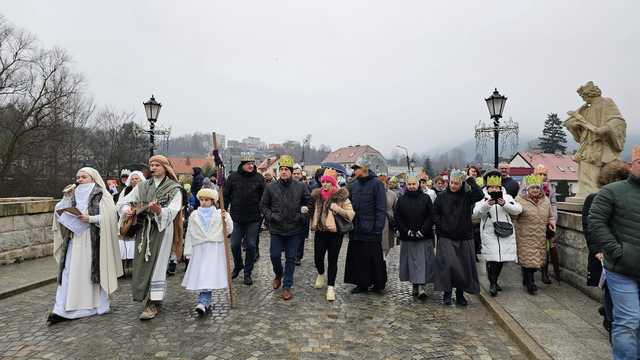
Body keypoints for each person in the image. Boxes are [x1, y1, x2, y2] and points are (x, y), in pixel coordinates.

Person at [47, 168, 122, 325]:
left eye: (83, 177)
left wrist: (91, 218)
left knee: (90, 272)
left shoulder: (101, 194)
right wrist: (66, 198)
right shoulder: (72, 194)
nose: (80, 179)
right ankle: (61, 309)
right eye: (78, 177)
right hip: (74, 239)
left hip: (92, 241)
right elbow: (58, 211)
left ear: (92, 178)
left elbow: (111, 217)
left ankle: (94, 306)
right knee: (68, 272)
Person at [589, 146, 640, 359]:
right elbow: (595, 221)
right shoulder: (613, 191)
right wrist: (616, 251)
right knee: (629, 321)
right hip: (622, 269)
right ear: (632, 165)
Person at [119, 155, 183, 320]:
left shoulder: (173, 188)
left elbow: (173, 209)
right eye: (151, 165)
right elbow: (125, 201)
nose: (153, 168)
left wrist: (159, 211)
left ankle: (153, 301)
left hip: (162, 231)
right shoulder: (142, 186)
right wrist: (127, 209)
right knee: (141, 263)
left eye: (157, 165)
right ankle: (144, 294)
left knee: (158, 265)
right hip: (143, 229)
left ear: (165, 167)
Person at [583, 160, 629, 340]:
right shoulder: (594, 198)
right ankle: (610, 321)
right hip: (605, 253)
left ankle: (610, 315)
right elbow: (590, 227)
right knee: (609, 287)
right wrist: (597, 250)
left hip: (625, 254)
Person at [260, 155, 311, 301]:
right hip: (276, 229)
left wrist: (302, 215)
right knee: (274, 255)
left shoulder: (300, 187)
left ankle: (287, 286)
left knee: (290, 258)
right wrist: (271, 216)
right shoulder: (271, 187)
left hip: (294, 229)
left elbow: (309, 203)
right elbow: (263, 206)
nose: (283, 172)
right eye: (281, 169)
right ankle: (278, 274)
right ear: (278, 172)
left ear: (291, 171)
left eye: (286, 170)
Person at [433, 169, 484, 306]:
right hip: (446, 237)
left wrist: (470, 180)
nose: (454, 186)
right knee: (448, 266)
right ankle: (447, 294)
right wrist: (442, 226)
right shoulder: (442, 197)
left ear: (461, 183)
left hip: (464, 236)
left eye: (457, 183)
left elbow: (479, 195)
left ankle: (460, 294)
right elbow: (435, 214)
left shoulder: (467, 196)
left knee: (463, 267)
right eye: (452, 183)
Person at [182, 188, 233, 315]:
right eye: (202, 200)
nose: (204, 202)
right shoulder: (194, 215)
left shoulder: (219, 214)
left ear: (213, 201)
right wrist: (187, 250)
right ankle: (204, 301)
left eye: (207, 200)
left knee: (207, 274)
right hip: (199, 248)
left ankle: (203, 301)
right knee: (202, 274)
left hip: (214, 248)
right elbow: (189, 233)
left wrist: (226, 218)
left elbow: (229, 230)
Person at [472, 170, 522, 297]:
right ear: (487, 187)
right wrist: (486, 205)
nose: (494, 189)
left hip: (505, 231)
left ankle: (495, 279)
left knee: (501, 260)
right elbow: (476, 214)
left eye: (496, 187)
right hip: (489, 232)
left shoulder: (507, 197)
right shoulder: (482, 198)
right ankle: (493, 283)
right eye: (491, 187)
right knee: (492, 258)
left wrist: (504, 204)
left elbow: (518, 210)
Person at [309, 169, 355, 301]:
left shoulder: (341, 197)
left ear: (333, 184)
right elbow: (311, 211)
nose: (324, 184)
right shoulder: (316, 196)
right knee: (318, 257)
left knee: (333, 260)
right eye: (323, 182)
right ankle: (321, 273)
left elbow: (351, 214)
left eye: (327, 182)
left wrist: (337, 209)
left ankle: (331, 287)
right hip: (320, 232)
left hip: (335, 234)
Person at [344, 157, 388, 294]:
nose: (354, 170)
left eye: (356, 168)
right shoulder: (354, 185)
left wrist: (378, 227)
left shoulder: (377, 184)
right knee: (357, 257)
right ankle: (361, 283)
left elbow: (381, 208)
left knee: (374, 258)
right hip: (356, 228)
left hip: (372, 229)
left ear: (364, 169)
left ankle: (377, 284)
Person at [224, 152, 265, 286]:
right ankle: (238, 265)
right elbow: (226, 195)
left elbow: (264, 197)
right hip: (236, 217)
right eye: (248, 164)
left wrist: (263, 211)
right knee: (235, 244)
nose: (251, 166)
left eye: (253, 163)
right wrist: (223, 209)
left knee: (251, 245)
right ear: (242, 164)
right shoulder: (233, 177)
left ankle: (248, 272)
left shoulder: (259, 178)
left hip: (254, 218)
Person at [395, 176, 435, 299]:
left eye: (414, 184)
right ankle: (414, 285)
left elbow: (431, 215)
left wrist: (422, 230)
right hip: (408, 237)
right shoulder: (401, 200)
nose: (412, 186)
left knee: (423, 263)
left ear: (418, 184)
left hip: (423, 236)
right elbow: (398, 217)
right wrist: (406, 231)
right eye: (409, 184)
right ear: (406, 185)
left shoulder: (426, 198)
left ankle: (422, 287)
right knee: (411, 263)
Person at [515, 175, 555, 295]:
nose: (535, 190)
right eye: (532, 188)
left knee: (536, 260)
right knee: (528, 261)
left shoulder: (546, 201)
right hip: (524, 235)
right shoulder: (519, 200)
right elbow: (514, 216)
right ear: (527, 189)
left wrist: (551, 222)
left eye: (537, 188)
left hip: (540, 235)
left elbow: (551, 215)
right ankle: (530, 284)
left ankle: (527, 280)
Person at [533, 164, 560, 284]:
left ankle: (544, 273)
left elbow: (553, 204)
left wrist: (553, 219)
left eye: (544, 174)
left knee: (546, 249)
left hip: (546, 222)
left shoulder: (549, 188)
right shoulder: (528, 185)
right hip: (532, 222)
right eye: (540, 174)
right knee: (532, 248)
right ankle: (529, 272)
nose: (542, 176)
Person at [115, 170, 146, 276]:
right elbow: (120, 203)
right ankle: (123, 267)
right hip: (127, 219)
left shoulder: (145, 189)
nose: (134, 181)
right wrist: (126, 210)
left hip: (142, 218)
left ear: (141, 179)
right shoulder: (126, 190)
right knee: (123, 242)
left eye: (136, 178)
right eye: (132, 179)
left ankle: (140, 267)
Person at [292, 164, 310, 266]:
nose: (296, 175)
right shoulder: (288, 185)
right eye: (294, 173)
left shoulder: (305, 186)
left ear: (301, 175)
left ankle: (298, 256)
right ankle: (291, 254)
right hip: (290, 216)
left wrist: (305, 211)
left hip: (301, 216)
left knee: (300, 238)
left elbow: (308, 200)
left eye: (298, 173)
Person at [378, 175, 398, 258]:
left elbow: (396, 208)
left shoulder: (392, 194)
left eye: (384, 183)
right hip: (379, 221)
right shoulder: (374, 193)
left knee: (388, 244)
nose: (382, 186)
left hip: (389, 222)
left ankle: (384, 259)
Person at [467, 166, 484, 260]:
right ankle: (471, 253)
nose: (474, 173)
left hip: (480, 209)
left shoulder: (480, 181)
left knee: (477, 235)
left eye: (475, 172)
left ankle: (476, 251)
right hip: (470, 210)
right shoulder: (465, 182)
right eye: (472, 171)